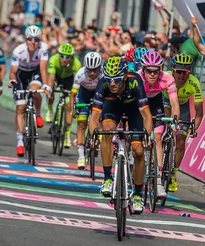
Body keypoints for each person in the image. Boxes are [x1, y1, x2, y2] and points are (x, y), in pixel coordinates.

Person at [88, 57, 153, 214]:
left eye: (116, 79)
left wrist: (147, 137)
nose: (112, 83)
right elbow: (95, 116)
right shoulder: (103, 84)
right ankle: (108, 178)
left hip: (133, 109)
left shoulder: (135, 82)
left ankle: (137, 195)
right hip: (113, 106)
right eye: (109, 79)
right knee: (106, 130)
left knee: (138, 150)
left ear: (124, 76)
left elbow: (146, 115)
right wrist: (93, 137)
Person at [137, 50, 180, 198]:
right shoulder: (137, 78)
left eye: (156, 71)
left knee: (157, 138)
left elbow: (174, 103)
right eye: (149, 71)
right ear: (143, 69)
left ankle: (159, 182)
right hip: (140, 105)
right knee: (137, 138)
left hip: (156, 105)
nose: (153, 74)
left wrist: (175, 120)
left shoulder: (167, 78)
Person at [8, 25, 51, 157]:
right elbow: (13, 72)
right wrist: (12, 81)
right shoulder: (18, 51)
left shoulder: (43, 48)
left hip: (34, 72)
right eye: (30, 39)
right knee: (20, 107)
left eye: (36, 39)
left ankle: (37, 114)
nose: (33, 42)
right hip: (20, 74)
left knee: (35, 90)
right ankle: (20, 141)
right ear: (26, 39)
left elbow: (43, 68)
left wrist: (45, 85)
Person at [165, 54, 204, 192]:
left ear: (190, 72)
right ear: (173, 69)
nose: (182, 75)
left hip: (183, 107)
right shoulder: (165, 77)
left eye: (185, 72)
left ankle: (173, 173)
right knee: (165, 116)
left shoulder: (194, 83)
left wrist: (194, 128)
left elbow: (199, 113)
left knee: (181, 141)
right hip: (166, 102)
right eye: (179, 71)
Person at [46, 43, 82, 148]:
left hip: (69, 80)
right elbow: (51, 78)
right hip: (57, 78)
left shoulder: (76, 63)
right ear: (59, 55)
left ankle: (67, 135)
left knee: (68, 105)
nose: (64, 59)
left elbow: (77, 82)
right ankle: (50, 110)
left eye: (67, 57)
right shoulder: (53, 59)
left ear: (72, 57)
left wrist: (73, 94)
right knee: (51, 91)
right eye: (62, 56)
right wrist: (50, 90)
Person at [71, 51, 102, 169]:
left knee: (99, 116)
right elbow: (73, 95)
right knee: (81, 124)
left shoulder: (103, 74)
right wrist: (73, 109)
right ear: (86, 68)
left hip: (97, 94)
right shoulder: (80, 74)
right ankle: (81, 157)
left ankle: (97, 135)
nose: (93, 73)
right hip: (83, 94)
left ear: (100, 67)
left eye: (95, 70)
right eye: (90, 70)